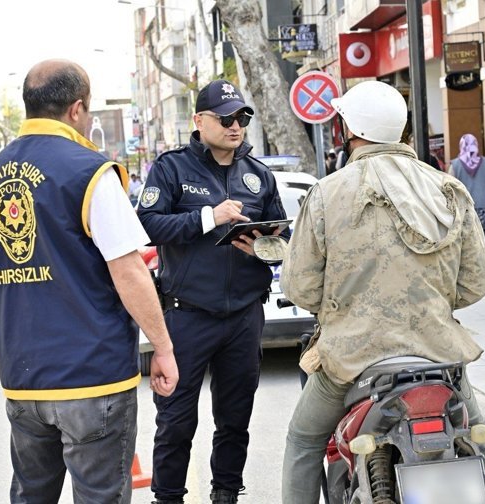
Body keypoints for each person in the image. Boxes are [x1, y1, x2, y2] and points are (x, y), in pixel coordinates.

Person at [279, 81, 485, 503]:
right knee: (479, 438)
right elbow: (476, 281)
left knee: (302, 441)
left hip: (352, 358)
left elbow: (300, 287)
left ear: (350, 130)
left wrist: (342, 305)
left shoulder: (328, 193)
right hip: (438, 355)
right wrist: (430, 303)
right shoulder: (448, 188)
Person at [0, 59, 178, 504]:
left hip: (23, 380)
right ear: (77, 109)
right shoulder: (90, 173)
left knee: (31, 495)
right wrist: (163, 347)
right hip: (92, 379)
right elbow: (129, 270)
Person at [136, 79, 290, 504]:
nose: (235, 126)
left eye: (241, 117)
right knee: (176, 421)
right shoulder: (172, 169)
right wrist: (209, 217)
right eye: (225, 118)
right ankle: (168, 498)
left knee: (235, 417)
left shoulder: (259, 176)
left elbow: (282, 241)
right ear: (199, 121)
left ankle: (226, 493)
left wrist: (264, 247)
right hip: (187, 316)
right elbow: (146, 225)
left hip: (243, 316)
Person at [451, 133, 485, 263]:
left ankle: (474, 263)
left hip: (466, 209)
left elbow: (450, 188)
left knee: (470, 238)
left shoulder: (455, 165)